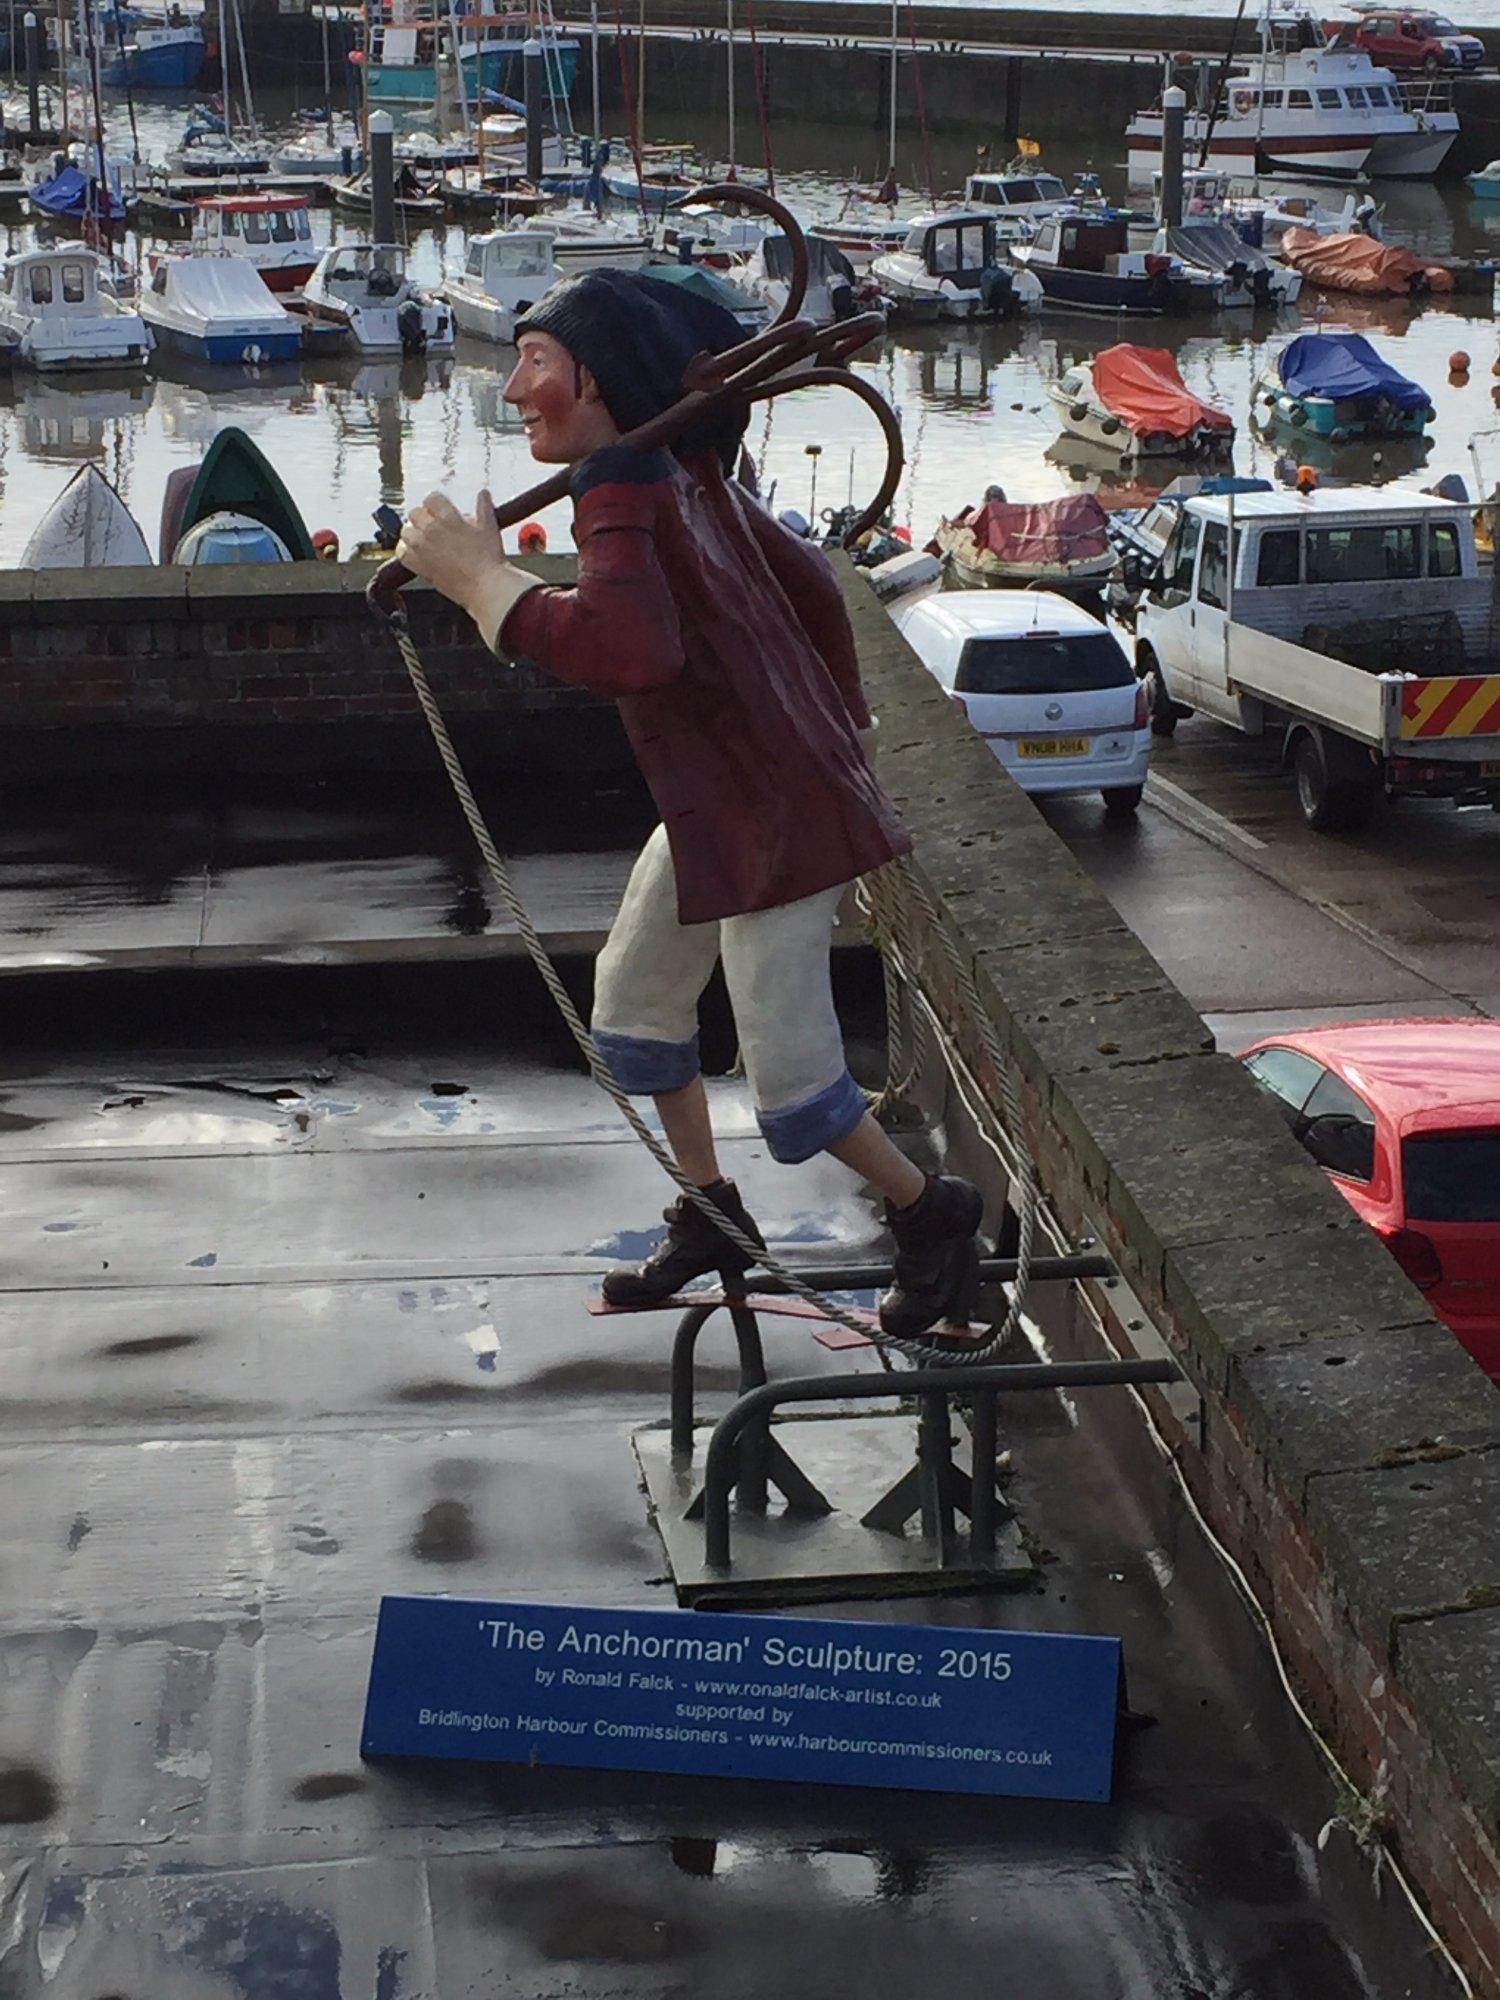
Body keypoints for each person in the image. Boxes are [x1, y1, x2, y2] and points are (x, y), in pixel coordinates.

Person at [395, 269, 983, 1339]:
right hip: (736, 793)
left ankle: (932, 1216)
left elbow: (628, 645)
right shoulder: (690, 471)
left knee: (793, 1071)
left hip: (780, 816)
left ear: (602, 378)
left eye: (536, 360)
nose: (516, 385)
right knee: (633, 995)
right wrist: (844, 718)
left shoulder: (625, 482)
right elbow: (806, 577)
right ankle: (711, 1209)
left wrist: (483, 582)